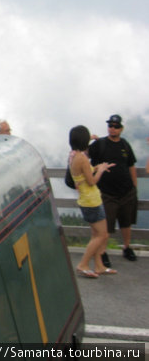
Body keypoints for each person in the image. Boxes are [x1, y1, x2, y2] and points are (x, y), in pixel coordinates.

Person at [88, 114, 138, 264]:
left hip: (127, 191)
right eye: (110, 126)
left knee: (126, 222)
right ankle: (102, 253)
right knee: (106, 226)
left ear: (121, 129)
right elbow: (82, 155)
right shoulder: (100, 144)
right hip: (107, 193)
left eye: (116, 126)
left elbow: (131, 165)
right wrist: (88, 140)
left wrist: (134, 187)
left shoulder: (125, 145)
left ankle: (126, 247)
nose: (113, 129)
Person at [68, 125, 116, 278]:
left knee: (96, 234)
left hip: (86, 200)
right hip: (91, 201)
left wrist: (98, 167)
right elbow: (91, 181)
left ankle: (99, 266)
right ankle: (83, 264)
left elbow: (84, 174)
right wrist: (100, 170)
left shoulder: (75, 156)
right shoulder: (81, 158)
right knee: (102, 235)